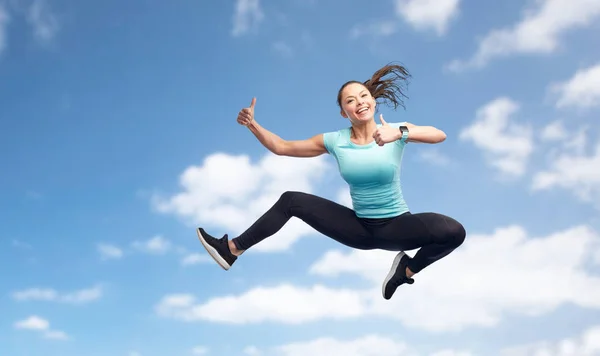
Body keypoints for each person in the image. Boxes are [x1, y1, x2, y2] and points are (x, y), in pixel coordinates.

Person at [196, 63, 466, 300]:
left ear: (373, 101)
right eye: (350, 100)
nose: (359, 102)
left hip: (397, 225)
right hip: (358, 228)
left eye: (363, 96)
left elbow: (438, 134)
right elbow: (281, 146)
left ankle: (405, 270)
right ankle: (232, 250)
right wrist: (252, 125)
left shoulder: (394, 131)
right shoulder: (335, 141)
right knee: (292, 200)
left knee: (454, 232)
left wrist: (401, 132)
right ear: (343, 112)